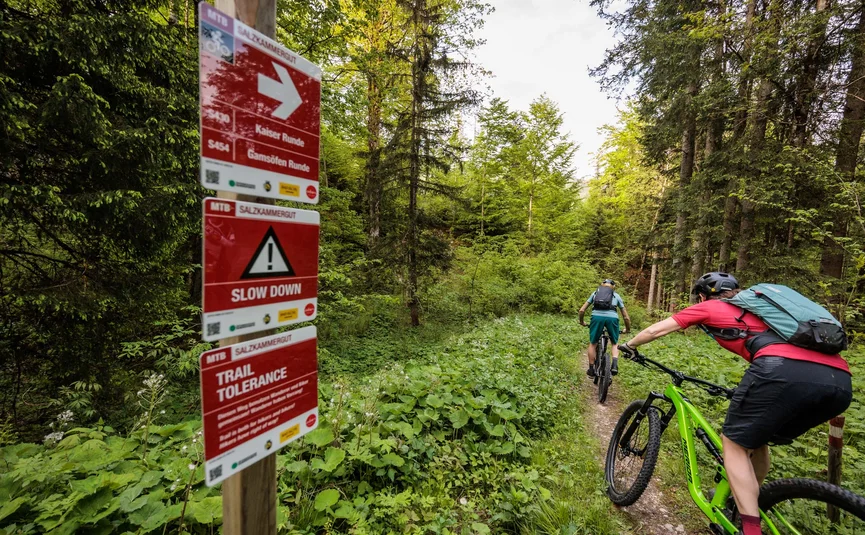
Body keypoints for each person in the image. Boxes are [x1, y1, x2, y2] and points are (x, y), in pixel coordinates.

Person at [618, 272, 852, 535]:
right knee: (757, 440)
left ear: (703, 296)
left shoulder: (709, 306)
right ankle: (742, 504)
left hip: (780, 371)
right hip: (840, 381)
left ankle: (750, 529)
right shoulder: (765, 314)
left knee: (735, 444)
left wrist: (629, 345)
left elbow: (655, 329)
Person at [579, 279, 631, 377]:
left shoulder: (595, 294)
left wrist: (582, 322)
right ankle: (614, 365)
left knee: (593, 343)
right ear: (613, 288)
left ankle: (591, 369)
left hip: (596, 318)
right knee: (615, 343)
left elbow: (582, 310)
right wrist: (627, 329)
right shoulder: (617, 296)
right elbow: (626, 317)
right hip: (612, 319)